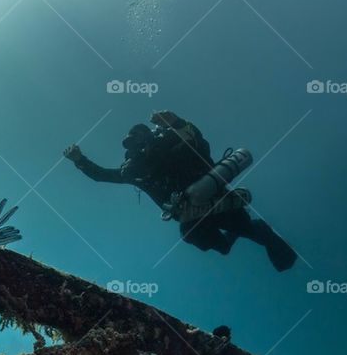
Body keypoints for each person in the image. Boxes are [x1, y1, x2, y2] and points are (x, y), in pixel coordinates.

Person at [64, 111, 296, 271]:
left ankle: (262, 231)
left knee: (254, 233)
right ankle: (247, 231)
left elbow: (200, 144)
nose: (137, 145)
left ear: (151, 135)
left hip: (215, 199)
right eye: (132, 142)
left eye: (140, 137)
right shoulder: (136, 171)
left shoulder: (173, 143)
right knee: (220, 247)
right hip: (191, 216)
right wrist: (79, 160)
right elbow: (102, 175)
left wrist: (175, 121)